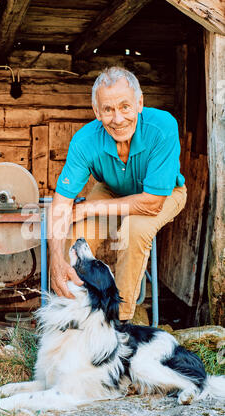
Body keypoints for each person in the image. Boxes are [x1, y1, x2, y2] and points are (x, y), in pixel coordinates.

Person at [47, 66, 187, 321]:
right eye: (108, 110)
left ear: (140, 103)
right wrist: (55, 261)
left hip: (163, 194)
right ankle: (69, 317)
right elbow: (60, 205)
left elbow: (152, 203)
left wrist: (89, 208)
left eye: (125, 107)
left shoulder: (163, 127)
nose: (118, 119)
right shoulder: (84, 140)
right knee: (77, 235)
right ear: (96, 112)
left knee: (134, 231)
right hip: (111, 190)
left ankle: (119, 322)